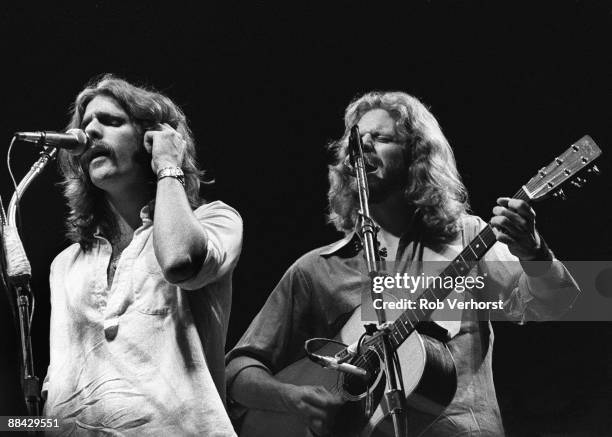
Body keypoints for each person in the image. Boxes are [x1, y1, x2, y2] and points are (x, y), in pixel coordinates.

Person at [225, 91, 579, 436]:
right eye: (357, 139)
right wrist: (291, 398)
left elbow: (557, 304)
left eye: (380, 138)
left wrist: (534, 252)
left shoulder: (469, 237)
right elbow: (237, 370)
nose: (361, 146)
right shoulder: (317, 269)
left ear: (416, 156)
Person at [42, 75, 242, 436]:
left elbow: (180, 261)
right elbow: (55, 385)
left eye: (111, 121)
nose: (91, 133)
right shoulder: (65, 264)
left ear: (153, 138)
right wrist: (13, 424)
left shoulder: (215, 220)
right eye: (85, 126)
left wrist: (168, 164)